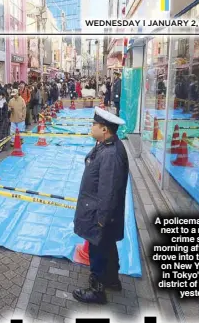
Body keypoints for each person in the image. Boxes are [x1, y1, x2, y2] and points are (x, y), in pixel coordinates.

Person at [72, 107, 129, 304]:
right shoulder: (105, 145)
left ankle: (97, 290)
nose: (92, 127)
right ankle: (112, 279)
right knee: (107, 244)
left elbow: (108, 190)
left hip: (99, 212)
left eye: (94, 124)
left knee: (97, 249)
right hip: (99, 209)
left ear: (104, 129)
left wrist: (101, 220)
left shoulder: (110, 154)